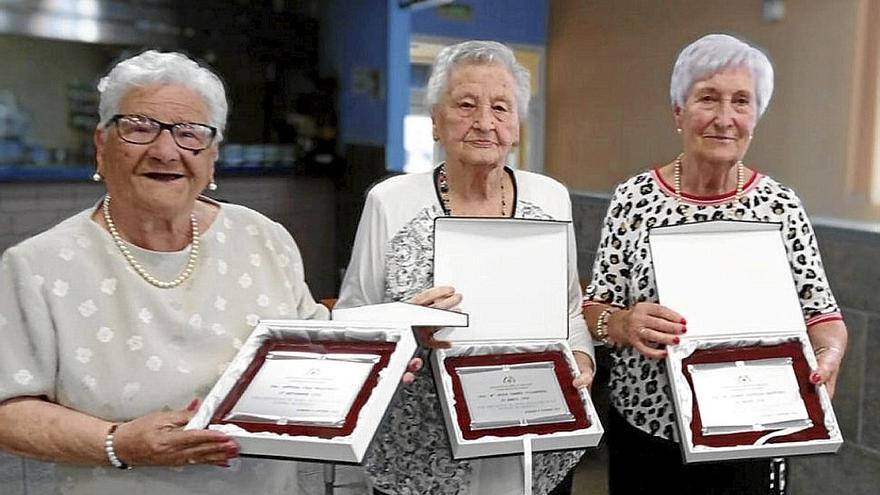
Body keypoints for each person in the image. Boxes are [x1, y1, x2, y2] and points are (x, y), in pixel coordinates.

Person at [0, 50, 337, 494]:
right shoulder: (38, 267)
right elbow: (9, 408)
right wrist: (117, 443)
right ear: (102, 146)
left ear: (212, 155)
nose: (165, 151)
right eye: (139, 128)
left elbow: (315, 348)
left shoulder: (263, 238)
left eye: (190, 134)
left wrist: (394, 338)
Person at [582, 33, 848, 495]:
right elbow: (594, 307)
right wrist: (623, 323)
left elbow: (822, 313)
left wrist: (829, 356)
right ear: (678, 112)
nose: (725, 118)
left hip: (754, 434)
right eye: (708, 98)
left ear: (756, 117)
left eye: (741, 102)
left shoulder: (779, 205)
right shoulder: (634, 198)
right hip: (647, 432)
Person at [336, 40, 595, 495]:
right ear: (435, 121)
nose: (484, 122)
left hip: (533, 443)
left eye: (501, 107)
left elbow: (570, 309)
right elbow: (354, 324)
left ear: (517, 126)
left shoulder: (550, 198)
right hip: (420, 454)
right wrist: (406, 327)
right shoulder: (390, 202)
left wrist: (581, 358)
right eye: (466, 105)